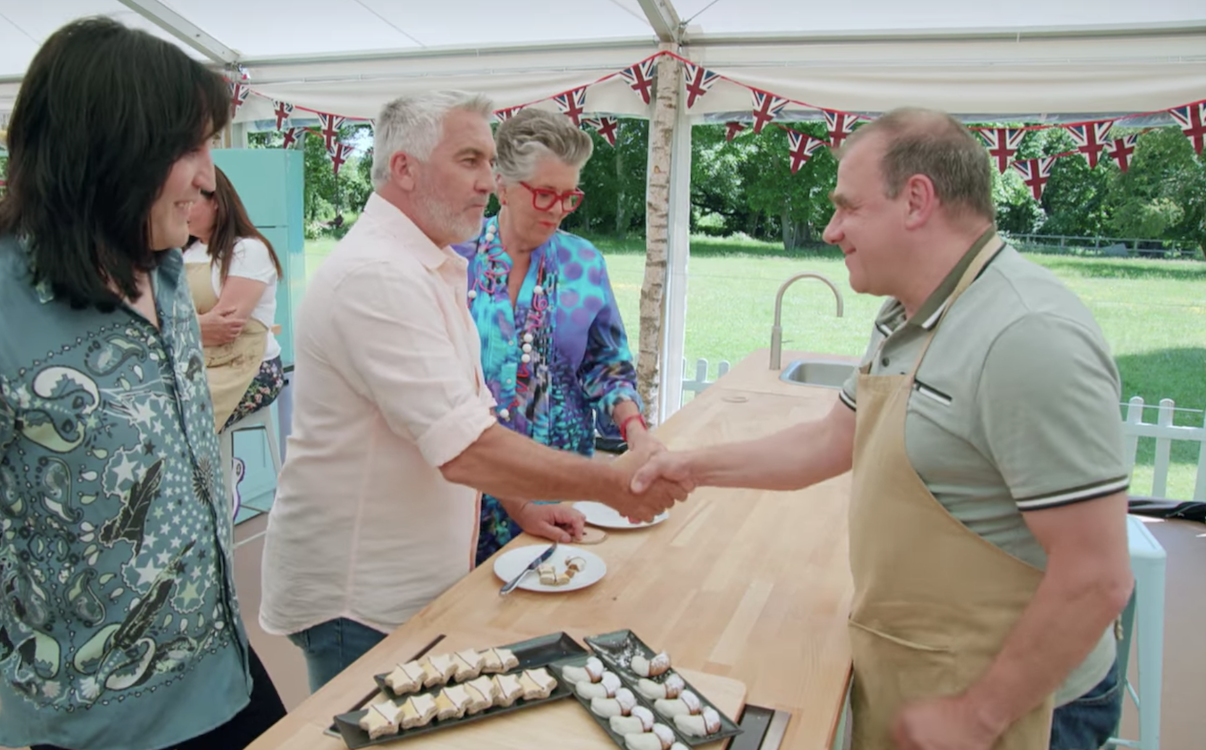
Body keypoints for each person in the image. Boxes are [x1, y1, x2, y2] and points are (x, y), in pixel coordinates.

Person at [632, 108, 1133, 750]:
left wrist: (977, 716)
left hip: (1017, 711)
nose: (831, 227)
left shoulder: (1026, 336)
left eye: (848, 207)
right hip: (925, 678)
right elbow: (829, 441)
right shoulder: (911, 313)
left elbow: (1097, 577)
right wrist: (693, 466)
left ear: (916, 200)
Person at [0, 17, 285, 750]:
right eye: (189, 147)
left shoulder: (160, 268)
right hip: (107, 720)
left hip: (224, 664)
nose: (208, 178)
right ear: (111, 148)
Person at [260, 90, 687, 692]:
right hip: (361, 600)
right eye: (471, 161)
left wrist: (524, 506)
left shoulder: (430, 267)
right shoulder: (380, 277)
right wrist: (615, 484)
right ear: (404, 168)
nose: (487, 181)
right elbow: (466, 447)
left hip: (421, 575)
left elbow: (470, 413)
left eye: (491, 162)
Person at [454, 108, 662, 565]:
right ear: (502, 186)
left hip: (563, 492)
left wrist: (636, 432)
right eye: (545, 195)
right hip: (467, 500)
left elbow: (607, 368)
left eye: (569, 197)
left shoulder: (582, 264)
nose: (558, 211)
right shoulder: (453, 265)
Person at [184, 165, 285, 432]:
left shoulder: (247, 250)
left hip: (252, 370)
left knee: (180, 410)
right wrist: (196, 326)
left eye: (189, 202)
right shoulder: (183, 253)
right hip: (199, 363)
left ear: (216, 201)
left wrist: (180, 327)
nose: (182, 211)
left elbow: (223, 330)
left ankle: (202, 474)